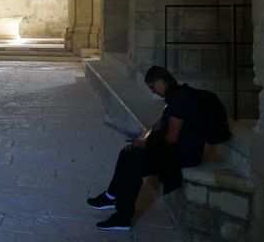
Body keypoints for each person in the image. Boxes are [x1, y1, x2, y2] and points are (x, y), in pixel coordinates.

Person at [86, 65, 205, 231]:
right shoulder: (176, 96)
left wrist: (145, 144)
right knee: (126, 153)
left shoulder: (180, 100)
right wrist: (145, 136)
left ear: (162, 80)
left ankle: (123, 218)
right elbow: (162, 122)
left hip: (183, 154)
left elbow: (171, 137)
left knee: (133, 162)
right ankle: (110, 196)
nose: (152, 91)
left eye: (152, 86)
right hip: (176, 148)